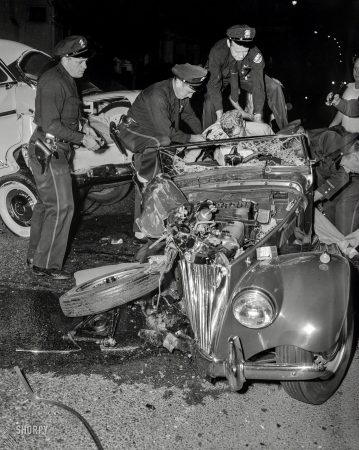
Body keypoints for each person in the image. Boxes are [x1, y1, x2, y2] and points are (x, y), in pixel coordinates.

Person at [27, 36, 102, 280]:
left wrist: (85, 127)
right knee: (62, 207)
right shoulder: (53, 81)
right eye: (81, 60)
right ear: (67, 58)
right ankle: (46, 265)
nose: (85, 65)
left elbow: (69, 113)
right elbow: (51, 123)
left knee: (47, 205)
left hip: (56, 149)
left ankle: (35, 256)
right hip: (49, 150)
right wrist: (83, 139)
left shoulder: (67, 78)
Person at [116, 63, 207, 244]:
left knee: (158, 181)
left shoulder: (181, 93)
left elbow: (190, 117)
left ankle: (143, 231)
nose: (192, 94)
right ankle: (144, 181)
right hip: (133, 132)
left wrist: (205, 135)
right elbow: (168, 132)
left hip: (153, 140)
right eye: (190, 90)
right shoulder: (159, 95)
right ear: (180, 82)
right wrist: (195, 139)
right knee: (150, 177)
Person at [203, 24, 288, 131]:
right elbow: (214, 83)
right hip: (222, 76)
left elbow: (258, 85)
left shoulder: (255, 54)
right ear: (229, 43)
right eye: (238, 51)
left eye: (245, 51)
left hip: (244, 75)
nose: (242, 55)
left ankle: (285, 130)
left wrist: (258, 115)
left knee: (274, 86)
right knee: (210, 100)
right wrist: (219, 115)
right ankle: (209, 137)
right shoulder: (217, 52)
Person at [313, 129, 359, 235]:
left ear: (353, 157)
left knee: (346, 205)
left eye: (343, 164)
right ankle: (336, 238)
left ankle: (347, 245)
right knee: (330, 202)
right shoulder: (353, 156)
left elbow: (341, 175)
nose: (343, 168)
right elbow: (341, 175)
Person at [328, 56, 359, 132]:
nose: (357, 72)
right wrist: (329, 130)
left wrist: (338, 102)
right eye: (355, 68)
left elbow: (354, 108)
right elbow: (341, 114)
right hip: (345, 140)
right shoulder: (348, 86)